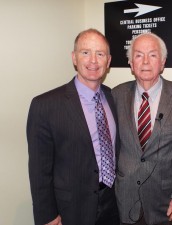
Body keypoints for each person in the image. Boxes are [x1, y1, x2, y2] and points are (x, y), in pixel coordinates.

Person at [27, 28, 120, 225]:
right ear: (74, 58)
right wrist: (47, 216)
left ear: (108, 61)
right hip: (70, 210)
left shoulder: (114, 98)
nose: (93, 61)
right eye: (85, 52)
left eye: (100, 54)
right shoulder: (45, 105)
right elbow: (39, 170)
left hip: (112, 205)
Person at [112, 33, 172, 225]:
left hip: (166, 202)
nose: (145, 62)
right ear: (131, 63)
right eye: (139, 55)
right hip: (125, 199)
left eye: (152, 55)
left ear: (163, 62)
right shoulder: (116, 94)